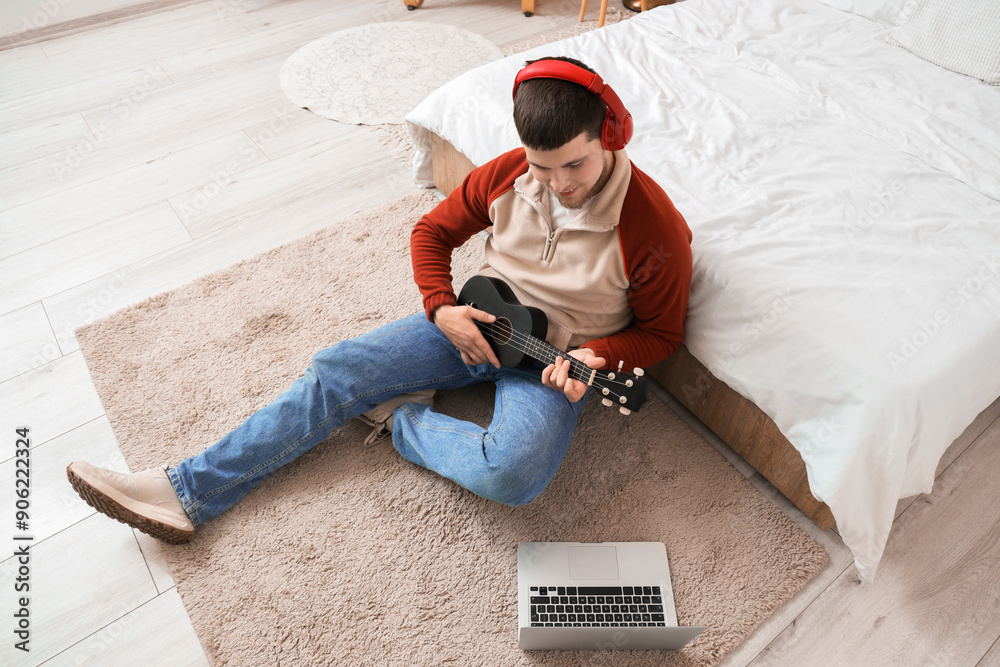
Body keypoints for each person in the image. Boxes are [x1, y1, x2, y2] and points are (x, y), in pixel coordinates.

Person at [67, 56, 693, 544]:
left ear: (608, 136)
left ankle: (400, 418)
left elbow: (662, 336)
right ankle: (185, 492)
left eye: (575, 167)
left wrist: (597, 355)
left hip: (553, 363)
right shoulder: (509, 172)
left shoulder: (653, 227)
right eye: (542, 167)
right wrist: (441, 306)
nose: (558, 185)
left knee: (513, 474)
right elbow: (432, 232)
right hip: (475, 318)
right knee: (337, 368)